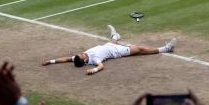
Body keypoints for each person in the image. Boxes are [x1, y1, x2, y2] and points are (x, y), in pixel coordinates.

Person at [42, 24, 177, 75]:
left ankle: (115, 35)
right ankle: (165, 48)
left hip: (109, 45)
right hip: (118, 51)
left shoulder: (79, 57)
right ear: (84, 61)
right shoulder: (94, 60)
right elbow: (101, 66)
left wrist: (51, 61)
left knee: (112, 39)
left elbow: (65, 59)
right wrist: (93, 70)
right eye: (81, 55)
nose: (81, 53)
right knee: (140, 49)